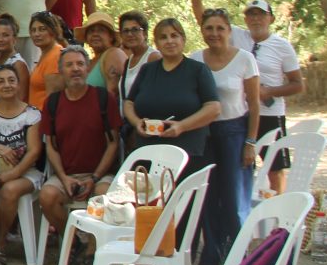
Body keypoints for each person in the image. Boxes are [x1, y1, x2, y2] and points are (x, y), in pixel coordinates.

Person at [187, 0, 303, 193]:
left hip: (270, 113)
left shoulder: (282, 47)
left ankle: (279, 215)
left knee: (274, 166)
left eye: (261, 15)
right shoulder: (236, 36)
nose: (256, 19)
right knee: (239, 167)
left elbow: (297, 84)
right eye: (251, 15)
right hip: (239, 115)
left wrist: (268, 91)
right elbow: (203, 20)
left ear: (271, 18)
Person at [192, 8, 261, 265]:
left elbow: (254, 104)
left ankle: (238, 259)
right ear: (202, 31)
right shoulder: (196, 59)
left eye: (220, 28)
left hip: (235, 132)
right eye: (209, 28)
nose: (214, 33)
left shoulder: (245, 59)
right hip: (205, 134)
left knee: (234, 199)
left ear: (229, 31)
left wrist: (251, 142)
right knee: (208, 196)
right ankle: (211, 254)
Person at [38, 46, 122, 248]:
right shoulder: (53, 102)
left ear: (87, 69)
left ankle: (93, 250)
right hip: (66, 175)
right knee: (47, 197)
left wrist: (94, 178)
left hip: (100, 174)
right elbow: (51, 146)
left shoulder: (103, 99)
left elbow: (113, 143)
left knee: (103, 196)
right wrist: (64, 178)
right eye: (69, 65)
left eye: (80, 64)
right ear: (62, 71)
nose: (75, 69)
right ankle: (72, 241)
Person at [124, 17, 220, 172]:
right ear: (156, 43)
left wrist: (182, 126)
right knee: (149, 195)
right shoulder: (147, 70)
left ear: (183, 39)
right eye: (163, 37)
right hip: (147, 152)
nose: (169, 41)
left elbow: (214, 108)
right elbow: (128, 103)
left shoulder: (198, 70)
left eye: (174, 35)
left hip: (187, 154)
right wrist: (137, 123)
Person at [0, 66, 43, 265]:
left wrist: (13, 173)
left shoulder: (32, 114)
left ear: (19, 84)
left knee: (9, 190)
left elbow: (34, 151)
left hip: (25, 172)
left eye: (11, 80)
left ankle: (1, 240)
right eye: (1, 81)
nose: (7, 85)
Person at [116, 11, 160, 151]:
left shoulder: (153, 57)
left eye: (135, 29)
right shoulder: (128, 61)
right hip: (130, 126)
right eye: (126, 31)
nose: (130, 34)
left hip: (148, 125)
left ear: (145, 33)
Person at [25, 11, 66, 109]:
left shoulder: (56, 55)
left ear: (53, 31)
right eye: (33, 30)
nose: (36, 34)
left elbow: (53, 100)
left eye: (42, 29)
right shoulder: (45, 54)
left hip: (45, 118)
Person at [77, 12, 126, 91]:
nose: (95, 34)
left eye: (101, 30)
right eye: (91, 31)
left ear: (111, 37)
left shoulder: (114, 54)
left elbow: (114, 93)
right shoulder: (90, 61)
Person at [0, 16, 32, 99]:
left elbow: (21, 98)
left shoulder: (18, 64)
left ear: (14, 39)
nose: (1, 39)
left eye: (5, 35)